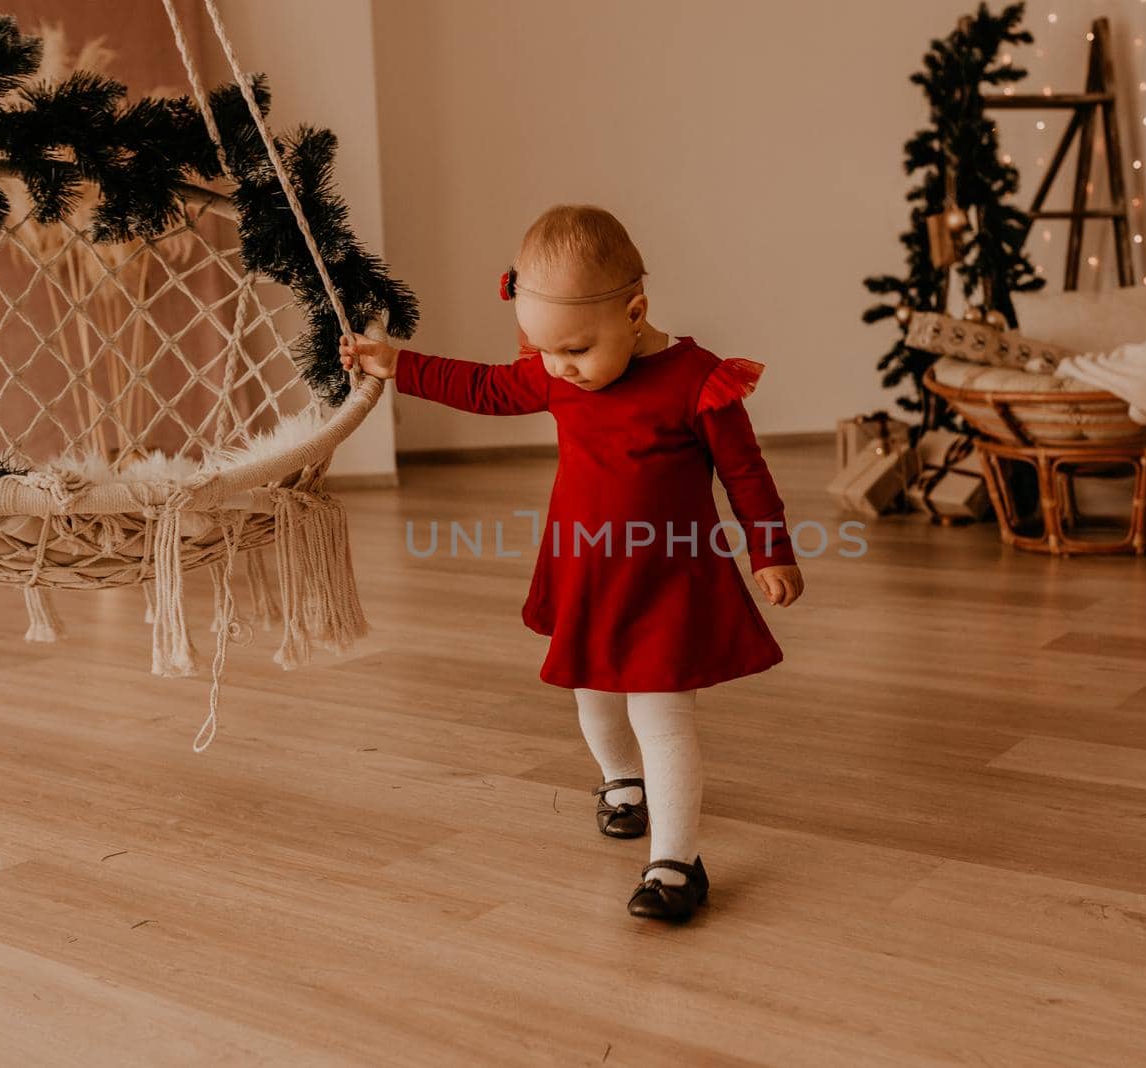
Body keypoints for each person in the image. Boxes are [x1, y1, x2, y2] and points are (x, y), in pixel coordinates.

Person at [339, 204, 803, 922]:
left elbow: (746, 476)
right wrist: (399, 365)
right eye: (544, 349)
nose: (559, 367)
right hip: (588, 571)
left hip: (668, 579)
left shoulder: (696, 381)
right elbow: (486, 388)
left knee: (663, 718)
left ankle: (677, 863)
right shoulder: (559, 373)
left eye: (577, 349)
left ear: (636, 312)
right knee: (593, 693)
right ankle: (620, 780)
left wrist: (769, 548)